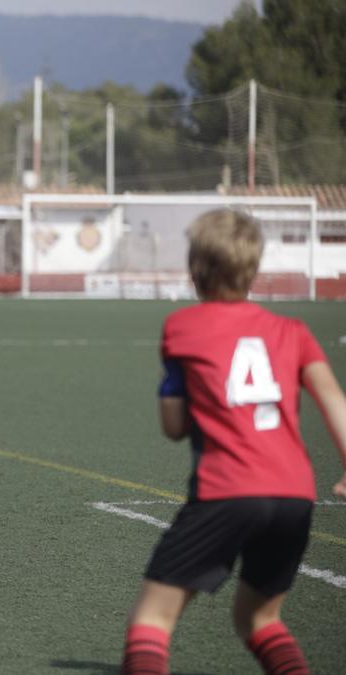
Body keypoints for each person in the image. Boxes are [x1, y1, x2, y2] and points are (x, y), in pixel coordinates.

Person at [120, 210, 346, 675]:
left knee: (152, 620)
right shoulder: (294, 332)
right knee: (259, 620)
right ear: (254, 269)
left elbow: (174, 426)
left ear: (195, 269)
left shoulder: (183, 327)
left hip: (227, 490)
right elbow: (333, 400)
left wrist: (170, 389)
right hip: (294, 496)